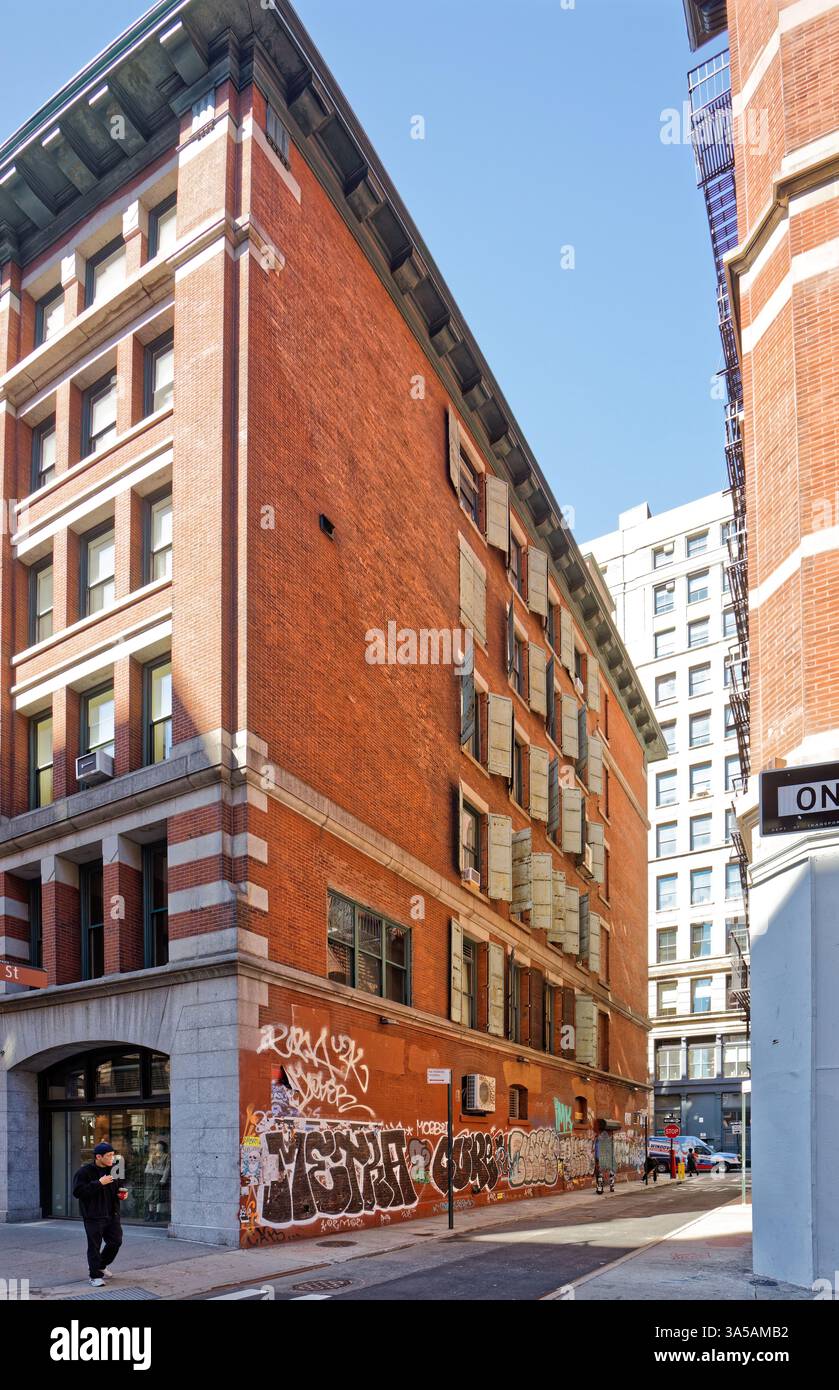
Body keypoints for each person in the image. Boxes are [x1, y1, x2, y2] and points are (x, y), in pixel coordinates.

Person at [72, 1141, 125, 1287]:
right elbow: (78, 1192)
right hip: (93, 1216)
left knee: (116, 1242)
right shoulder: (84, 1172)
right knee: (94, 1246)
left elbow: (118, 1187)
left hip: (112, 1214)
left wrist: (121, 1194)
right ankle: (94, 1276)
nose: (112, 1158)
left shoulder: (113, 1169)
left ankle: (101, 1265)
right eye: (109, 1156)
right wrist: (99, 1183)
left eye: (113, 1155)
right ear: (99, 1157)